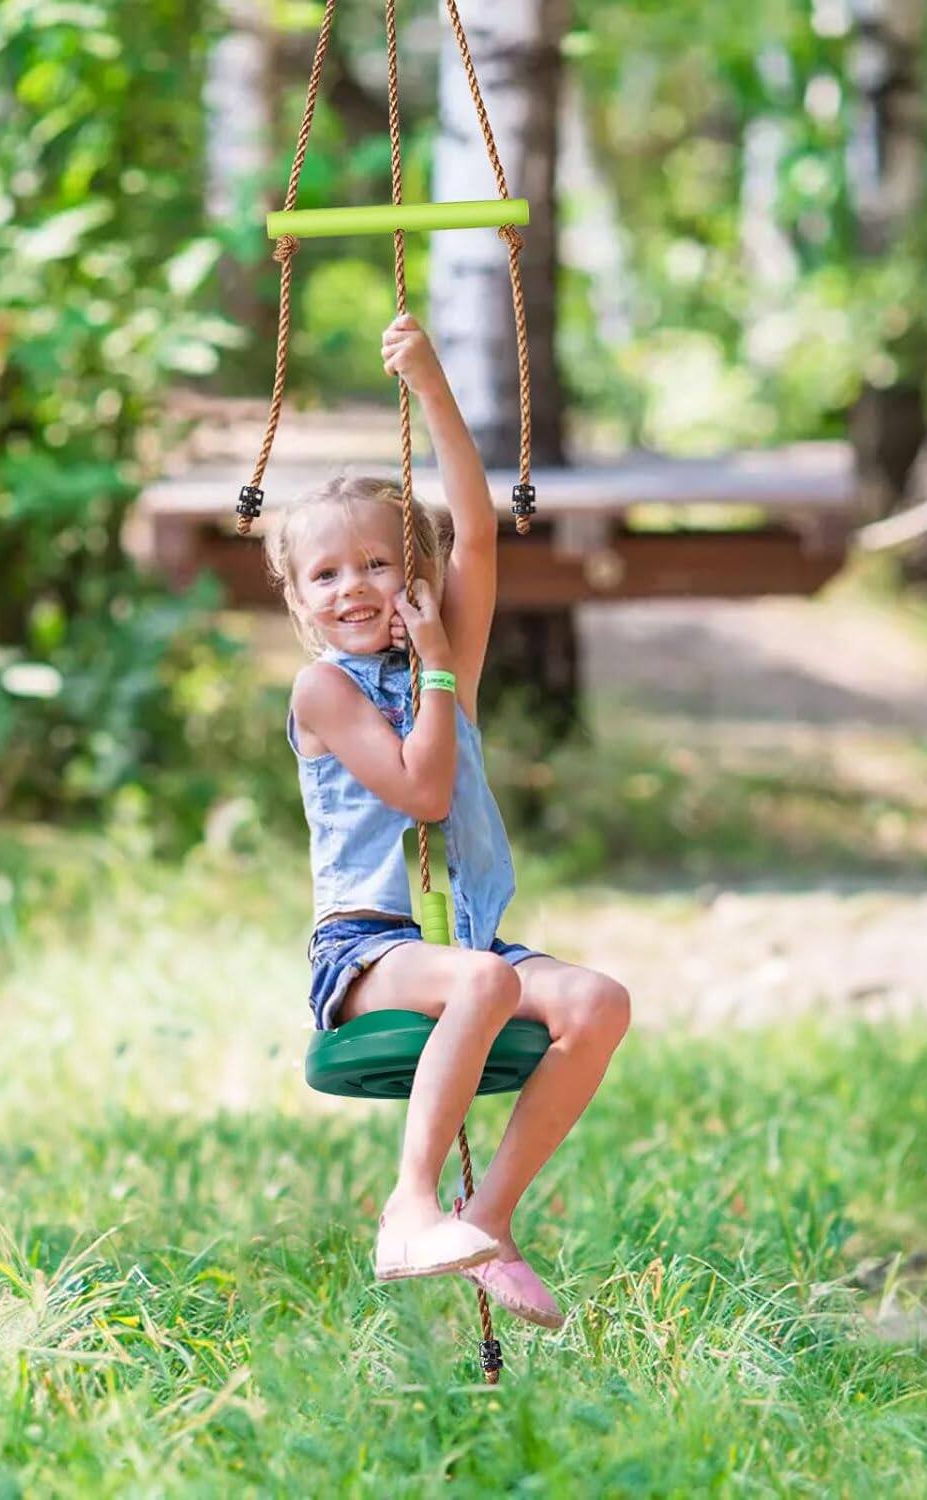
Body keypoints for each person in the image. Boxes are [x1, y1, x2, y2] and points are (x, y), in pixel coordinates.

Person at [264, 313, 631, 1330]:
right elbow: (424, 793)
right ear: (300, 603)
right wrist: (435, 671)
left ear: (411, 576)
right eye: (327, 575)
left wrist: (428, 382)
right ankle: (410, 1208)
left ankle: (491, 1219)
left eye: (377, 565)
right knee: (486, 978)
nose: (354, 588)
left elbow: (473, 527)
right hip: (368, 949)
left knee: (597, 1000)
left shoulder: (440, 668)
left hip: (463, 937)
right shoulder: (324, 693)